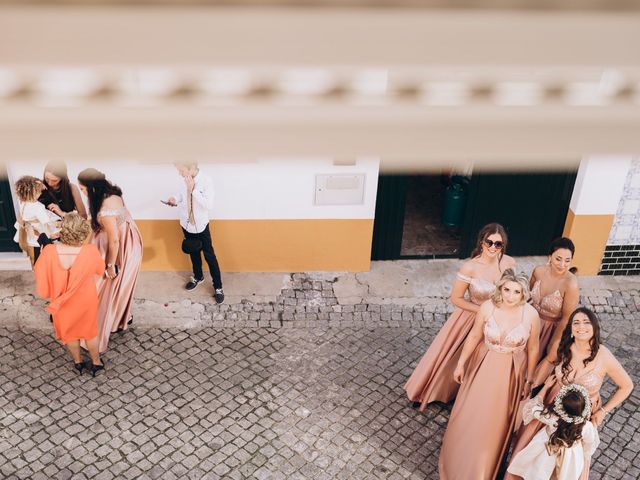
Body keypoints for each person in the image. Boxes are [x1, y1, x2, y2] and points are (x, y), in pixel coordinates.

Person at [507, 307, 634, 480]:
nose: (581, 327)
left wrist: (603, 411)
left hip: (580, 412)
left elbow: (627, 386)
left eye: (586, 322)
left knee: (568, 458)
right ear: (571, 328)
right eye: (576, 323)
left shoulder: (604, 355)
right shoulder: (564, 346)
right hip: (553, 401)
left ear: (594, 327)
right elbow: (549, 362)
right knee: (536, 449)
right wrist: (533, 384)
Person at [439, 269, 540, 480]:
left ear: (524, 294)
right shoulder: (487, 307)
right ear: (500, 289)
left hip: (511, 373)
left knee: (495, 423)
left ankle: (483, 470)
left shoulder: (530, 314)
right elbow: (475, 335)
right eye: (507, 290)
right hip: (483, 365)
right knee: (470, 413)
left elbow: (533, 349)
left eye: (516, 292)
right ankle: (457, 462)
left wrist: (530, 379)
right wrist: (461, 364)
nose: (510, 296)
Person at [405, 223, 516, 408]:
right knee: (454, 357)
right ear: (481, 242)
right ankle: (437, 391)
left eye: (498, 244)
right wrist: (482, 311)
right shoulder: (470, 267)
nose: (493, 248)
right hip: (471, 317)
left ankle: (469, 395)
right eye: (489, 242)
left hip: (497, 321)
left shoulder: (509, 263)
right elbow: (456, 298)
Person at [77, 168, 143, 352]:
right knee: (118, 286)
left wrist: (111, 265)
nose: (83, 193)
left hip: (121, 247)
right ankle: (120, 318)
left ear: (93, 188)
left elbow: (114, 240)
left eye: (83, 189)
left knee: (111, 284)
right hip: (126, 239)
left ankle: (108, 320)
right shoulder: (112, 193)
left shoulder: (105, 209)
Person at [34, 213, 105, 376]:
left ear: (62, 232)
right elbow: (99, 270)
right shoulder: (90, 251)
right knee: (90, 332)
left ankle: (78, 363)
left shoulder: (50, 251)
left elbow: (40, 272)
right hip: (85, 300)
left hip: (61, 301)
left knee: (70, 333)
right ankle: (96, 363)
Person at [507, 380, 599, 480]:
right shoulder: (586, 426)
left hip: (545, 450)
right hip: (570, 456)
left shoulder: (551, 417)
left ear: (559, 405)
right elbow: (590, 443)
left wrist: (546, 388)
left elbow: (532, 408)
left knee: (540, 471)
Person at [163, 161, 224, 304]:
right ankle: (198, 276)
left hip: (201, 226)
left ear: (191, 168)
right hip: (186, 223)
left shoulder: (206, 181)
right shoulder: (184, 180)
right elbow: (181, 195)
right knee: (193, 252)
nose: (180, 173)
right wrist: (175, 199)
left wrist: (193, 190)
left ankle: (218, 287)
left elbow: (208, 205)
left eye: (181, 170)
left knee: (210, 256)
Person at [530, 237, 579, 361]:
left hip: (550, 331)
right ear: (550, 256)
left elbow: (566, 318)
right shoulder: (538, 271)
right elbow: (527, 297)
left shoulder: (570, 284)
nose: (562, 265)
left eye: (567, 260)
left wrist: (554, 343)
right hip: (530, 323)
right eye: (558, 259)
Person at [13, 176, 61, 263]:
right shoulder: (38, 207)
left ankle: (35, 263)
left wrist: (40, 184)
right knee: (44, 252)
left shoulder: (21, 201)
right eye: (39, 191)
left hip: (28, 233)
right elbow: (47, 223)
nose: (40, 193)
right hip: (38, 233)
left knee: (34, 254)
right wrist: (56, 228)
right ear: (33, 193)